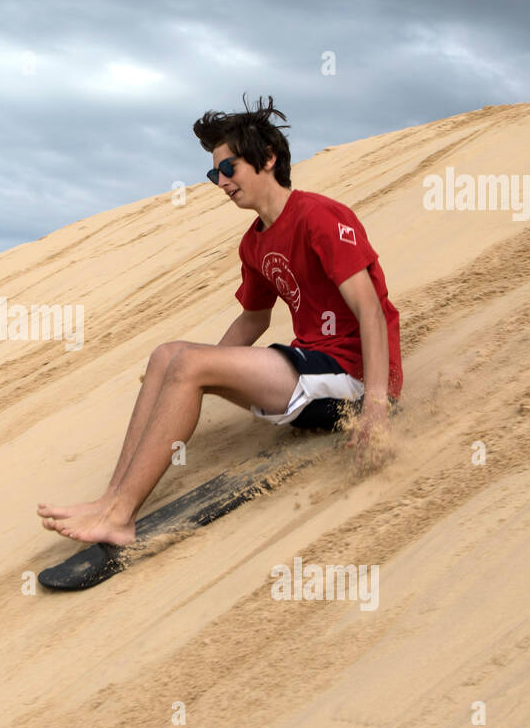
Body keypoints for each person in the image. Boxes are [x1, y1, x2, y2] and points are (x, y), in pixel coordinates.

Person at [39, 95, 403, 546]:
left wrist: (377, 407)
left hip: (353, 377)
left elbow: (370, 309)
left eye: (229, 168)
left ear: (267, 159)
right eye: (215, 174)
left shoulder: (321, 217)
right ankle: (110, 499)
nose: (221, 182)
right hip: (310, 369)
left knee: (189, 365)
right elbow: (253, 320)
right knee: (168, 355)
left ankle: (119, 517)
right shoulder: (255, 244)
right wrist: (184, 370)